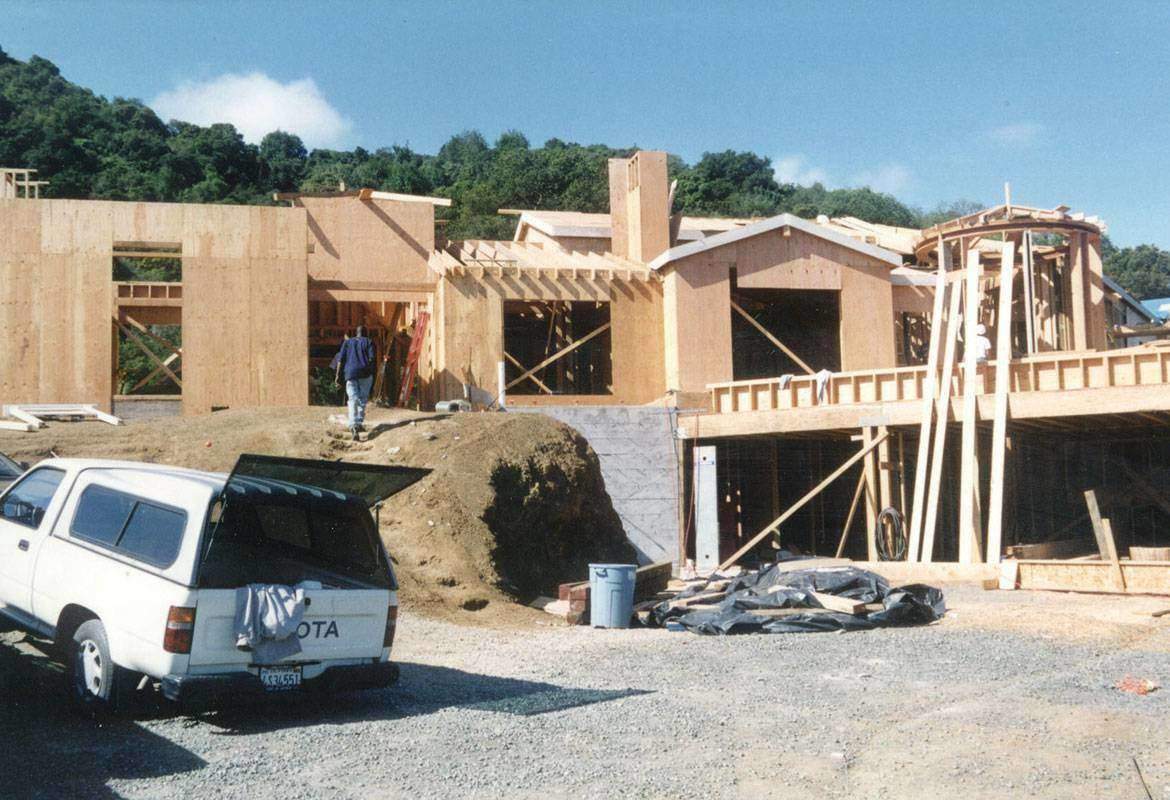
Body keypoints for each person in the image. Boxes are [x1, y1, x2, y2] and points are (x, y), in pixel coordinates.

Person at [333, 325, 377, 439]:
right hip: (365, 374)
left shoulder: (347, 342)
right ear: (366, 333)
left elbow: (340, 360)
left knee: (352, 399)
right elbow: (372, 359)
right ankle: (358, 423)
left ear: (356, 333)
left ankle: (353, 424)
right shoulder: (369, 342)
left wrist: (337, 376)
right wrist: (373, 375)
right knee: (362, 399)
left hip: (350, 374)